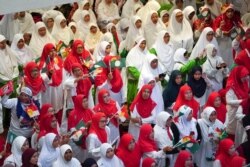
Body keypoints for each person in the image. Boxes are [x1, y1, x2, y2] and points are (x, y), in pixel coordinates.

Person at [38, 43, 64, 119]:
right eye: (50, 51)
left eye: (54, 51)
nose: (53, 53)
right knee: (50, 106)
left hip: (58, 87)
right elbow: (42, 78)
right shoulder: (44, 63)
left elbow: (62, 71)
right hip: (49, 89)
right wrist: (49, 74)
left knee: (58, 105)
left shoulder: (57, 59)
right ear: (46, 52)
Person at [225, 66, 250, 142]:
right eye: (244, 76)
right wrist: (242, 102)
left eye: (246, 76)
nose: (246, 78)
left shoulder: (244, 82)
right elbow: (228, 101)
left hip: (244, 108)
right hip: (234, 110)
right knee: (233, 130)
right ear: (238, 76)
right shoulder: (231, 86)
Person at [126, 37, 147, 106]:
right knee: (132, 98)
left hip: (144, 79)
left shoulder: (146, 53)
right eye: (142, 43)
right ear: (138, 44)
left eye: (145, 43)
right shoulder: (132, 53)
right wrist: (140, 76)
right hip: (134, 80)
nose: (143, 45)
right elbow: (131, 67)